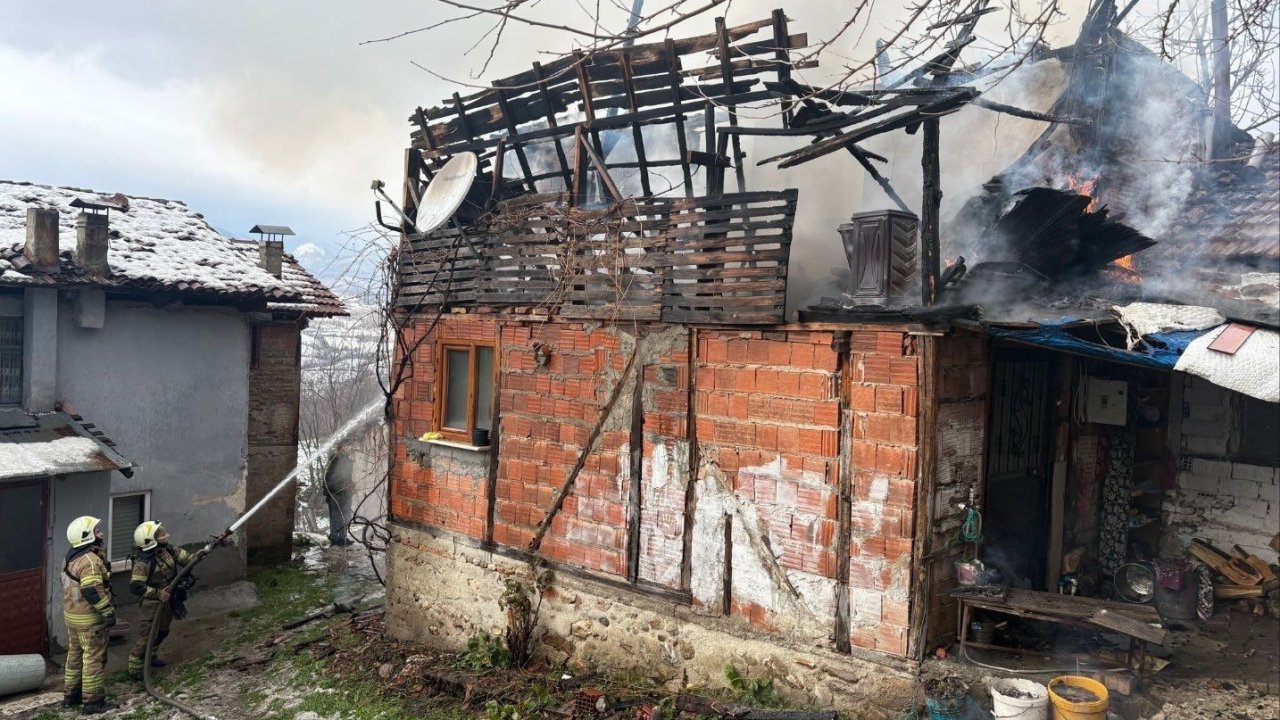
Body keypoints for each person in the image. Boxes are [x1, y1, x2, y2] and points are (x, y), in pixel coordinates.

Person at [62, 515, 116, 715]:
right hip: (89, 620)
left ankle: (71, 696)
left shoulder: (69, 557)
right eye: (97, 531)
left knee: (74, 656)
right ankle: (93, 702)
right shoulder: (90, 561)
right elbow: (91, 590)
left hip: (72, 617)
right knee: (93, 659)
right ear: (87, 537)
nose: (101, 533)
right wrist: (107, 611)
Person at [127, 521, 192, 680]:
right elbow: (136, 587)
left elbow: (188, 559)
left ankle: (151, 656)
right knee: (147, 636)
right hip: (151, 604)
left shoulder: (168, 549)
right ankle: (135, 667)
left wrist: (202, 554)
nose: (166, 536)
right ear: (152, 540)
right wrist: (157, 593)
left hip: (169, 599)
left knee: (162, 631)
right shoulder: (143, 562)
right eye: (161, 535)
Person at [323, 445, 355, 546]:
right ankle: (337, 538)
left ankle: (339, 537)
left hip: (342, 492)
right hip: (338, 493)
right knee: (338, 515)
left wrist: (351, 486)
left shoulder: (342, 460)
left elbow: (346, 477)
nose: (350, 449)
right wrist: (334, 490)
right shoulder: (337, 461)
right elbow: (330, 477)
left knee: (343, 515)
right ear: (341, 449)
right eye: (348, 447)